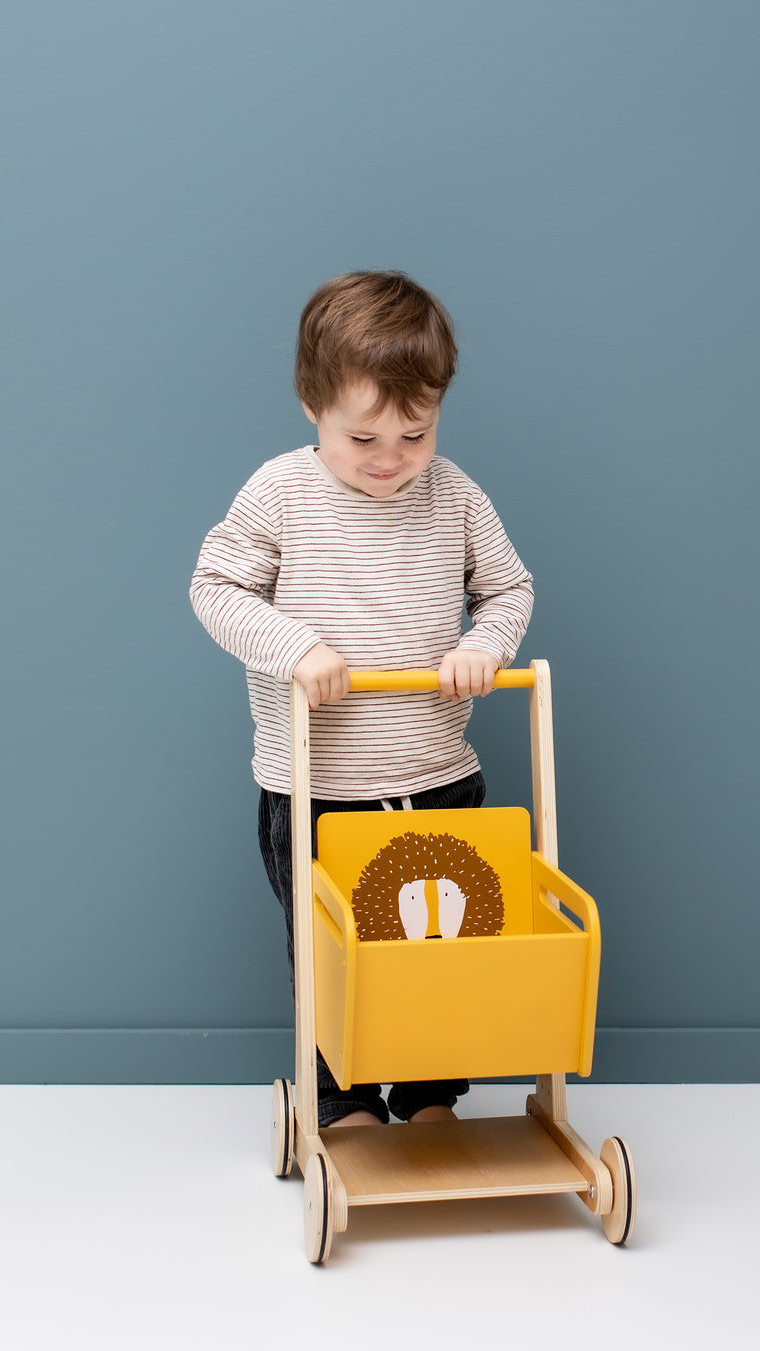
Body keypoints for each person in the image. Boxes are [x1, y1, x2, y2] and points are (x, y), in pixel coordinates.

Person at [190, 271, 533, 1127]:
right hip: (315, 788)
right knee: (331, 953)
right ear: (312, 406)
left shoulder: (453, 494)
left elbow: (508, 589)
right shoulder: (280, 492)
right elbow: (216, 586)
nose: (391, 458)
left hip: (437, 774)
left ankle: (428, 1097)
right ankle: (340, 1101)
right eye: (365, 437)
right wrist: (296, 646)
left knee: (439, 953)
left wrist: (481, 646)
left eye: (414, 433)